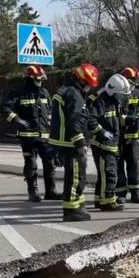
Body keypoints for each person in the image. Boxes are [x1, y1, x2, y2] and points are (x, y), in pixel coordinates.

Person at [0, 65, 61, 202]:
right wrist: (18, 120)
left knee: (50, 163)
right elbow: (5, 109)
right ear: (30, 78)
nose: (40, 82)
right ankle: (33, 192)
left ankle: (51, 191)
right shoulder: (18, 93)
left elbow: (50, 113)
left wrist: (54, 135)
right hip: (28, 137)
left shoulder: (44, 93)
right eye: (38, 79)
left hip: (45, 136)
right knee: (31, 164)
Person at [49, 62, 100, 222]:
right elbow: (75, 121)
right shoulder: (75, 95)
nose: (88, 88)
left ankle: (78, 205)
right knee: (76, 176)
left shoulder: (66, 90)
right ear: (82, 80)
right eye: (88, 84)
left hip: (64, 140)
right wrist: (80, 143)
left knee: (75, 175)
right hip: (71, 143)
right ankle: (72, 211)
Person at [88, 74, 130, 212]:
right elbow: (91, 120)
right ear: (112, 90)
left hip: (111, 144)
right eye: (120, 94)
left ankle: (100, 200)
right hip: (102, 145)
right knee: (109, 173)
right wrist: (102, 132)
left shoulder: (114, 102)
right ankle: (108, 201)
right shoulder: (101, 101)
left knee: (104, 174)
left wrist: (128, 120)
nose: (122, 97)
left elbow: (115, 121)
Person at [116, 67, 139, 204]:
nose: (132, 86)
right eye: (131, 83)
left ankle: (136, 193)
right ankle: (120, 194)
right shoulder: (116, 94)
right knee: (118, 166)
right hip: (118, 137)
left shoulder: (136, 93)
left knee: (135, 164)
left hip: (132, 136)